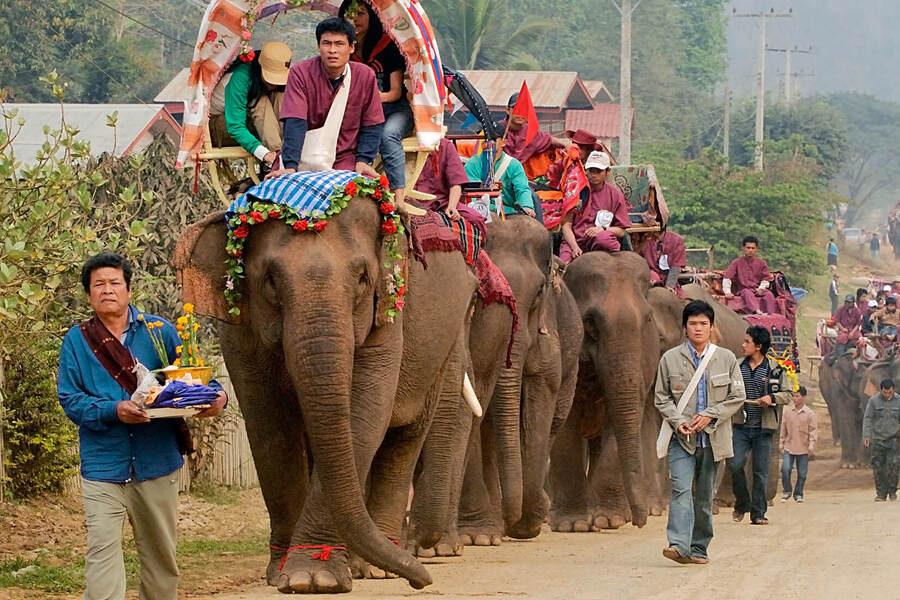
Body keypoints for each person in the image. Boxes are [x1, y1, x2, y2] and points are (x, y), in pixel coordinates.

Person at [58, 252, 228, 600]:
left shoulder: (158, 332)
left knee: (161, 559)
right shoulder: (77, 341)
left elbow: (191, 376)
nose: (107, 290)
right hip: (104, 466)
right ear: (89, 295)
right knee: (101, 554)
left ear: (129, 289)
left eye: (114, 283)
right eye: (98, 285)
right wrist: (112, 410)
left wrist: (216, 398)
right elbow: (70, 399)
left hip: (156, 463)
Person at [655, 300, 745, 565]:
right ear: (684, 327)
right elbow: (661, 398)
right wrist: (677, 420)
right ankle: (678, 545)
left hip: (713, 440)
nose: (697, 328)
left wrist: (710, 414)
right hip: (681, 440)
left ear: (711, 327)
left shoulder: (726, 358)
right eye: (692, 323)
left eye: (703, 324)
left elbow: (737, 395)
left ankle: (699, 547)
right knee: (681, 489)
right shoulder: (669, 359)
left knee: (704, 497)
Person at [271, 18, 384, 179]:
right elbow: (295, 122)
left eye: (339, 44)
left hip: (345, 158)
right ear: (318, 47)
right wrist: (290, 166)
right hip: (303, 155)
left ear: (351, 47)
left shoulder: (365, 76)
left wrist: (364, 160)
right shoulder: (300, 73)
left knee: (367, 195)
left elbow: (372, 123)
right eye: (327, 43)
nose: (332, 50)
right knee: (277, 193)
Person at [340, 0, 411, 207]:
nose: (354, 19)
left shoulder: (387, 46)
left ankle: (399, 198)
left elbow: (396, 92)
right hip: (363, 114)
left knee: (388, 135)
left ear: (372, 17)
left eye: (360, 14)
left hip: (394, 110)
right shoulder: (342, 51)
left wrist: (371, 98)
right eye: (350, 14)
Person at [730, 326, 791, 525]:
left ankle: (758, 513)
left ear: (758, 346)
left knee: (760, 471)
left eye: (747, 342)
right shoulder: (737, 367)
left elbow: (788, 394)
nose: (743, 345)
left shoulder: (774, 369)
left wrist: (771, 397)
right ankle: (742, 503)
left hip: (763, 428)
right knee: (735, 463)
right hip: (740, 426)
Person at [208, 41, 292, 168]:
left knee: (281, 96)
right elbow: (235, 127)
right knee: (260, 102)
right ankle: (277, 158)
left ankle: (290, 150)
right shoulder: (241, 78)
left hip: (250, 121)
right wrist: (264, 154)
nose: (274, 84)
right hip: (221, 126)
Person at [558, 151, 631, 262]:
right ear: (586, 171)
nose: (594, 174)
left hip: (599, 242)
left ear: (607, 172)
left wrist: (602, 229)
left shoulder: (615, 195)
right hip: (574, 240)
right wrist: (574, 247)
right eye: (591, 170)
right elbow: (566, 225)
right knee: (564, 266)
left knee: (604, 239)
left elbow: (621, 231)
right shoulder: (575, 190)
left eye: (599, 171)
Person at [412, 137, 486, 237]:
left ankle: (478, 251)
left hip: (441, 202)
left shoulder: (445, 145)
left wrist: (452, 206)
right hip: (409, 202)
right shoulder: (395, 143)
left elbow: (456, 182)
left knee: (476, 219)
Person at [500, 92, 567, 179]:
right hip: (499, 177)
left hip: (521, 179)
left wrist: (568, 147)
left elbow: (549, 140)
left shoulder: (530, 132)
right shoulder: (497, 129)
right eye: (517, 108)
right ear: (507, 110)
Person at [464, 136, 536, 218]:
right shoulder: (472, 164)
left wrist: (527, 206)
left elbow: (522, 189)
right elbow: (471, 193)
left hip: (508, 213)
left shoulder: (514, 165)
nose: (488, 143)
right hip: (480, 212)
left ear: (504, 142)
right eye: (485, 140)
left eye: (493, 140)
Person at [862, 379, 900, 501]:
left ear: (893, 390)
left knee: (894, 466)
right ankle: (881, 493)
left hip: (893, 439)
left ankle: (892, 491)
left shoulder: (899, 401)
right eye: (884, 392)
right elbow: (868, 418)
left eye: (889, 392)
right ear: (881, 390)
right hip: (878, 439)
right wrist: (866, 436)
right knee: (878, 468)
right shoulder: (873, 401)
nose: (887, 395)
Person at [779, 386, 817, 503]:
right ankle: (787, 491)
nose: (795, 398)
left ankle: (798, 493)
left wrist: (811, 445)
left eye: (797, 396)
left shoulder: (810, 414)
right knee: (785, 469)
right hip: (789, 446)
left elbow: (813, 430)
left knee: (802, 473)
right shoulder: (788, 412)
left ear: (803, 397)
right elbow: (783, 429)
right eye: (794, 396)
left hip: (803, 447)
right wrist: (781, 442)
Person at [723, 236, 777, 315]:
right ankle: (756, 311)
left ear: (756, 249)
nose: (750, 250)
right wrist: (727, 292)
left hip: (758, 290)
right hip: (744, 290)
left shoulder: (762, 263)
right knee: (747, 293)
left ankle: (771, 314)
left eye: (753, 248)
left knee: (769, 294)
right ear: (743, 248)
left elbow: (766, 278)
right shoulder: (736, 262)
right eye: (748, 248)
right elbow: (727, 277)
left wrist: (761, 288)